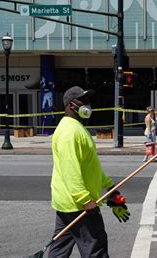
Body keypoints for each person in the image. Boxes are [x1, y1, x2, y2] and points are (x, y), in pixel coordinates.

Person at [50, 86, 130, 257]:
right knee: (96, 249)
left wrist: (110, 189)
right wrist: (85, 200)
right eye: (83, 101)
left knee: (59, 250)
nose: (88, 104)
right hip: (79, 205)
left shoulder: (75, 128)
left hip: (67, 204)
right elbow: (70, 170)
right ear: (71, 105)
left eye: (88, 100)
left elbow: (91, 167)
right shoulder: (70, 132)